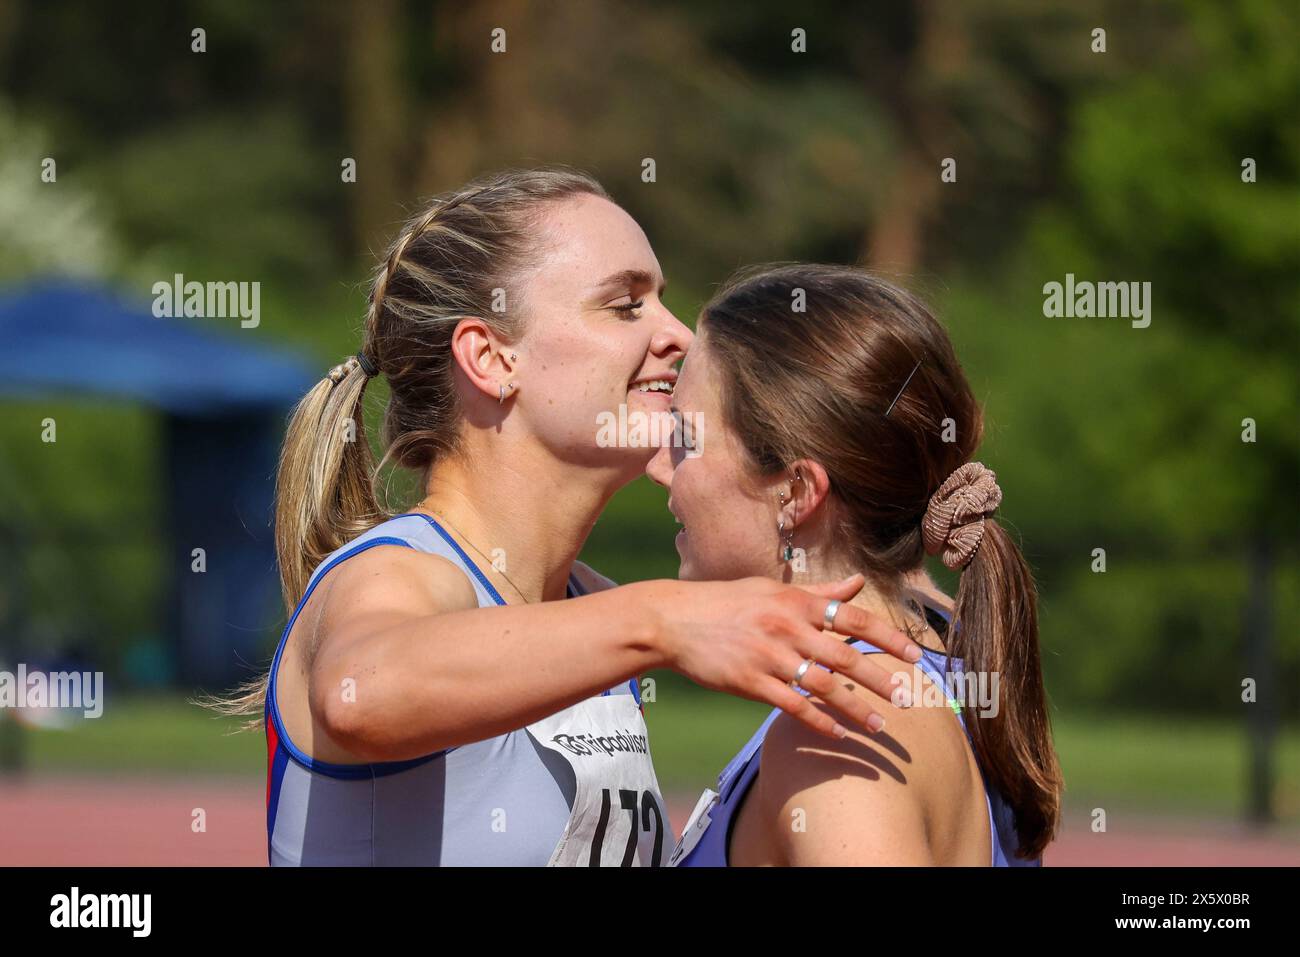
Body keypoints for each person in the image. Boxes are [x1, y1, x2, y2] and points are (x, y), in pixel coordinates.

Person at [216, 171, 922, 865]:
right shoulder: (397, 571)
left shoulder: (596, 613)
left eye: (663, 301)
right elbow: (358, 694)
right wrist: (662, 621)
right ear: (491, 358)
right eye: (624, 305)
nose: (677, 334)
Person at [658, 264, 1063, 866]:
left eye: (686, 441)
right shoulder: (946, 635)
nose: (658, 466)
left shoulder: (843, 736)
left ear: (795, 493)